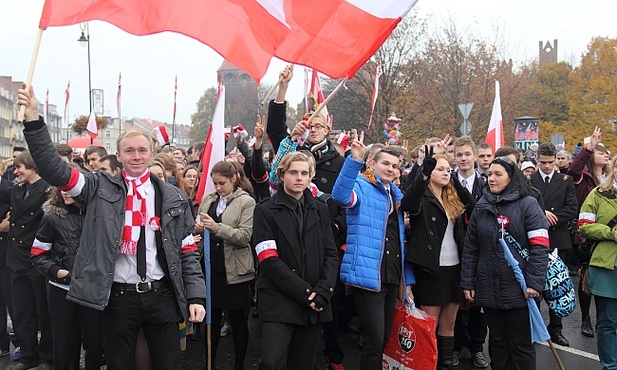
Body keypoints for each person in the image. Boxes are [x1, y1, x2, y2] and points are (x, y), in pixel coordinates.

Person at [18, 84, 206, 370]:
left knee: (169, 364)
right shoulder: (97, 187)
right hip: (118, 297)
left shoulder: (173, 197)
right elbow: (53, 169)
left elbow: (187, 251)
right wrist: (33, 120)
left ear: (151, 152)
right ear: (118, 156)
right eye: (129, 151)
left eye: (142, 150)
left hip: (161, 296)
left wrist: (196, 296)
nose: (136, 156)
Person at [332, 132, 415, 370]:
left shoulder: (397, 195)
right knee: (374, 339)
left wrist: (406, 280)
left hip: (390, 274)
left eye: (395, 165)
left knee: (385, 337)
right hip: (367, 275)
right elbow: (340, 196)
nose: (390, 169)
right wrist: (353, 160)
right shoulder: (361, 184)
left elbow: (399, 240)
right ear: (372, 164)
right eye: (385, 163)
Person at [252, 152, 338, 370]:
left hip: (314, 303)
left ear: (311, 177)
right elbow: (268, 259)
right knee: (271, 363)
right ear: (282, 175)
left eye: (304, 173)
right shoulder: (264, 211)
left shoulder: (321, 209)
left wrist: (323, 290)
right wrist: (305, 293)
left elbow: (331, 253)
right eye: (293, 172)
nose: (299, 178)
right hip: (279, 300)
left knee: (304, 364)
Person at [462, 156, 549, 370]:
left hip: (520, 290)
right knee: (498, 344)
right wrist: (468, 282)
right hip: (489, 288)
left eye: (498, 174)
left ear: (511, 178)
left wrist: (534, 283)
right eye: (490, 174)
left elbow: (540, 247)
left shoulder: (528, 204)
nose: (491, 179)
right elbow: (471, 247)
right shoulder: (482, 206)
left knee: (521, 346)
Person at [402, 150, 475, 370]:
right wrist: (423, 174)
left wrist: (457, 183)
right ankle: (426, 365)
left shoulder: (452, 196)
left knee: (449, 323)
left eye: (448, 169)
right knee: (428, 325)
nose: (446, 173)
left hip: (454, 268)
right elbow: (408, 203)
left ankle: (445, 365)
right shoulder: (421, 197)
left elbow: (474, 208)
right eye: (440, 169)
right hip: (430, 269)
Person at [31, 184, 104, 370]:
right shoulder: (51, 217)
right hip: (62, 289)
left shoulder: (98, 216)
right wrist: (58, 272)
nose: (65, 191)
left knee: (95, 344)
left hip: (91, 289)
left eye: (70, 187)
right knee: (64, 345)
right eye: (62, 188)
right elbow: (38, 255)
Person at [195, 160, 256, 370]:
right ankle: (209, 363)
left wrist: (216, 227)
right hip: (211, 268)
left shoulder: (246, 202)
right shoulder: (208, 199)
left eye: (222, 183)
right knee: (211, 319)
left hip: (235, 271)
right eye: (215, 183)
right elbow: (200, 227)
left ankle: (239, 364)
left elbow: (245, 236)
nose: (218, 188)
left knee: (238, 320)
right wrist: (197, 228)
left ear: (234, 179)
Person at [528, 143, 578, 347]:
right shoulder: (530, 179)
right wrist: (542, 214)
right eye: (543, 162)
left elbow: (572, 208)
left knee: (558, 286)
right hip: (536, 238)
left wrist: (554, 217)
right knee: (536, 285)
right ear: (537, 159)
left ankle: (556, 328)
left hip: (558, 238)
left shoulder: (565, 181)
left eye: (550, 162)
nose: (547, 166)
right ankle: (537, 326)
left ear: (556, 160)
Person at [568, 126, 610, 338]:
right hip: (587, 235)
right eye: (601, 152)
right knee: (586, 277)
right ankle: (585, 317)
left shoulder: (611, 180)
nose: (606, 155)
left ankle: (606, 318)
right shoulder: (583, 177)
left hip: (610, 239)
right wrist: (588, 148)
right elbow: (573, 169)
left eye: (607, 153)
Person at [451, 137, 488, 368]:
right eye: (459, 155)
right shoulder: (448, 181)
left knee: (477, 303)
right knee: (454, 301)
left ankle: (476, 348)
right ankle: (454, 346)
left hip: (479, 251)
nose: (463, 159)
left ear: (475, 156)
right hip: (453, 250)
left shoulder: (485, 184)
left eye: (467, 154)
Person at [577, 155, 617, 370]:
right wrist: (611, 233)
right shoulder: (598, 194)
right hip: (606, 268)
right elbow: (583, 225)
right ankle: (610, 366)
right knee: (608, 321)